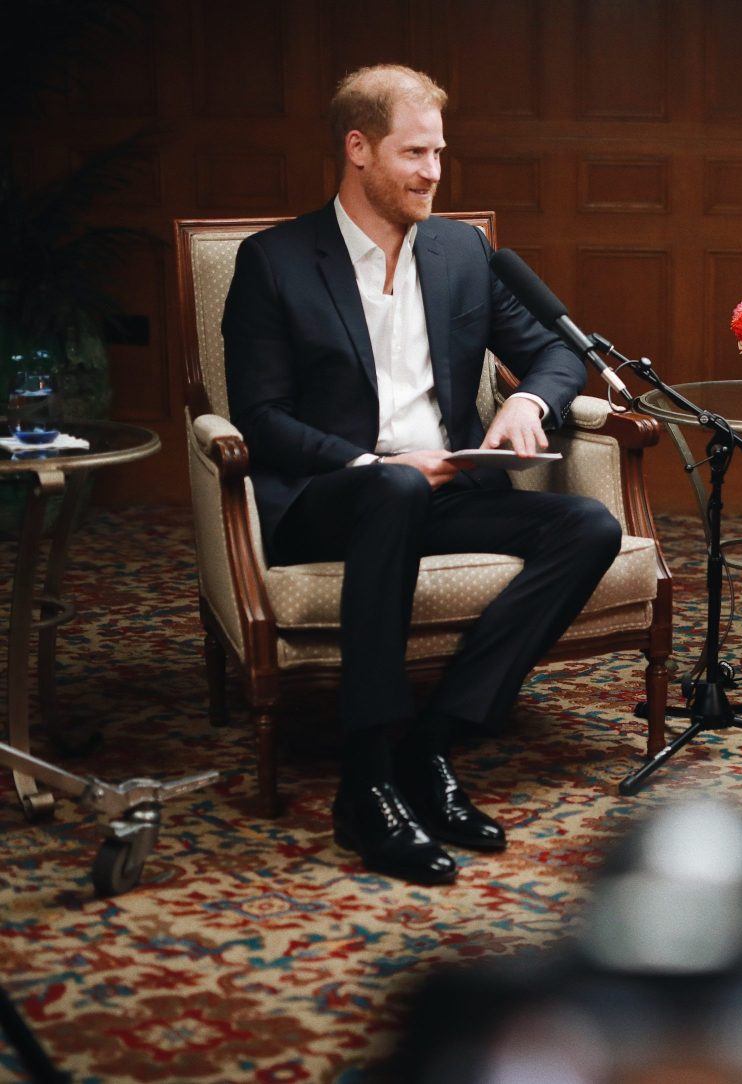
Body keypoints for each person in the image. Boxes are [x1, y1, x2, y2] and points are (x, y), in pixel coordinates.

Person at [222, 65, 622, 886]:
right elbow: (261, 421)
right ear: (358, 148)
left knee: (590, 527)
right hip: (332, 498)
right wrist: (375, 464)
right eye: (414, 153)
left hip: (450, 489)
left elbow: (554, 353)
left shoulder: (460, 251)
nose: (433, 172)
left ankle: (431, 741)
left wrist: (530, 408)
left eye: (439, 152)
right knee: (397, 487)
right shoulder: (275, 262)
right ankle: (363, 781)